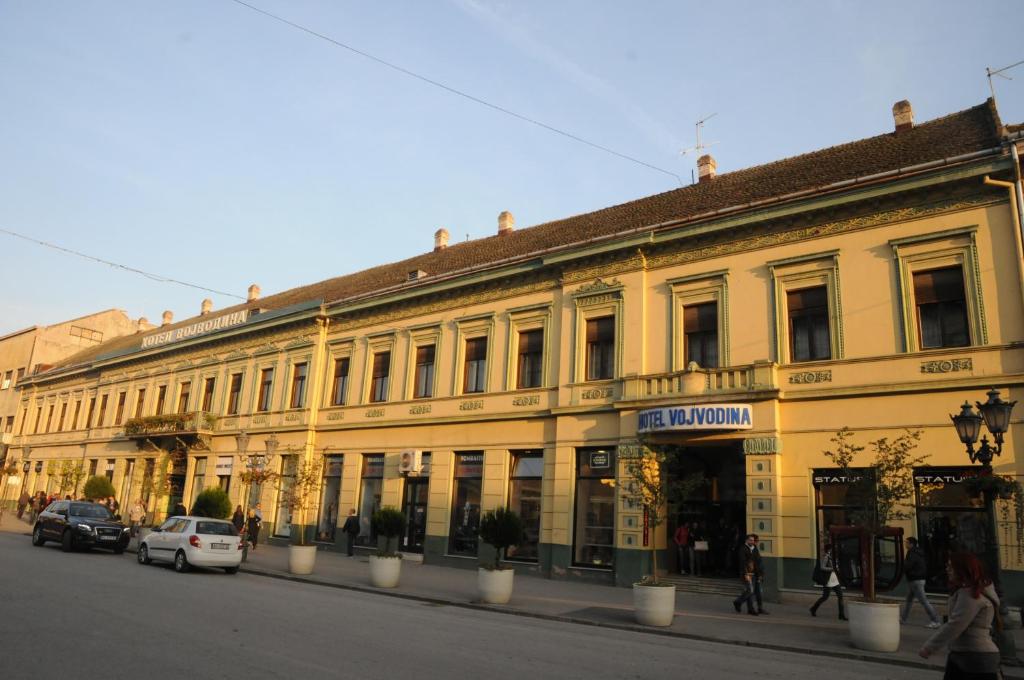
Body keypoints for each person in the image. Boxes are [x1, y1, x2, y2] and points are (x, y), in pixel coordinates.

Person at [919, 552, 1001, 679]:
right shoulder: (975, 590)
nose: (947, 570)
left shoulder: (970, 594)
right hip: (965, 655)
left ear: (963, 570)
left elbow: (955, 624)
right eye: (947, 566)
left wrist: (929, 647)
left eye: (951, 567)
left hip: (974, 657)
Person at [902, 536, 941, 628]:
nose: (905, 544)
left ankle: (935, 620)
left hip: (915, 580)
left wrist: (903, 567)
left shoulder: (912, 553)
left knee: (924, 601)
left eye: (907, 542)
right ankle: (903, 618)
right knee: (909, 600)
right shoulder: (917, 552)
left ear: (911, 544)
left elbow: (908, 565)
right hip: (916, 579)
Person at [810, 542, 847, 620]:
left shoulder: (831, 556)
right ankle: (813, 608)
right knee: (825, 597)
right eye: (832, 548)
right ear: (829, 549)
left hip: (834, 579)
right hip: (828, 580)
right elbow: (822, 567)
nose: (835, 550)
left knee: (840, 596)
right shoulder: (826, 557)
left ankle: (841, 615)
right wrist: (831, 569)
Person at [733, 533, 760, 616]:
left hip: (753, 573)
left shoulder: (754, 548)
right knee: (750, 590)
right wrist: (746, 574)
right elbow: (742, 562)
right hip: (746, 573)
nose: (752, 541)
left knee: (751, 592)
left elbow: (756, 562)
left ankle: (750, 609)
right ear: (746, 540)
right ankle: (738, 602)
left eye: (753, 540)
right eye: (750, 540)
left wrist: (758, 574)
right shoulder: (743, 549)